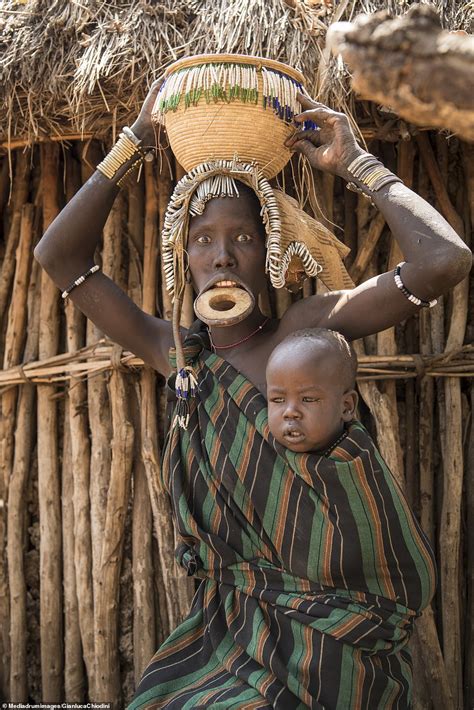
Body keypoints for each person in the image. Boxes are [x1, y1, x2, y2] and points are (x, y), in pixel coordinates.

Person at [34, 74, 471, 708]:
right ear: (184, 257)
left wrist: (355, 161)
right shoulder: (177, 356)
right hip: (232, 632)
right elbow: (59, 257)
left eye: (242, 237)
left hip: (334, 632)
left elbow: (444, 262)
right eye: (203, 240)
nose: (222, 256)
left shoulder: (305, 330)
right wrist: (135, 140)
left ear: (271, 250)